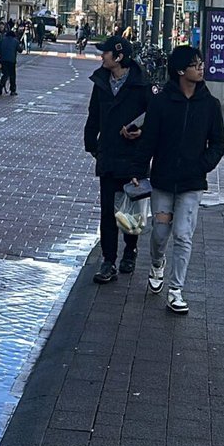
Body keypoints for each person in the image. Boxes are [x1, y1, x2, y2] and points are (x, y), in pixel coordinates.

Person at [136, 46, 224, 315]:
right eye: (194, 64)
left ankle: (176, 290)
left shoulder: (210, 105)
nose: (201, 68)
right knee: (160, 232)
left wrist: (202, 166)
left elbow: (219, 143)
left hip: (192, 183)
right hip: (163, 179)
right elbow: (149, 139)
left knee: (184, 235)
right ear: (179, 71)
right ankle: (156, 264)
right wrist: (140, 169)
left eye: (201, 63)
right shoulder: (162, 102)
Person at [84, 37, 151, 283]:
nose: (102, 56)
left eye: (106, 53)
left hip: (134, 157)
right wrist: (93, 146)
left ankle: (130, 250)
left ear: (119, 57)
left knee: (131, 208)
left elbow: (154, 119)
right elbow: (94, 115)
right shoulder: (101, 82)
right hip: (109, 155)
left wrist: (141, 133)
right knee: (107, 212)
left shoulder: (142, 85)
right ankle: (108, 260)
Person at [0, 23, 23, 95]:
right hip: (12, 61)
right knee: (12, 75)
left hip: (3, 59)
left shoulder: (3, 39)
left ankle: (1, 85)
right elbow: (20, 50)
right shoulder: (15, 41)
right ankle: (12, 90)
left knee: (5, 74)